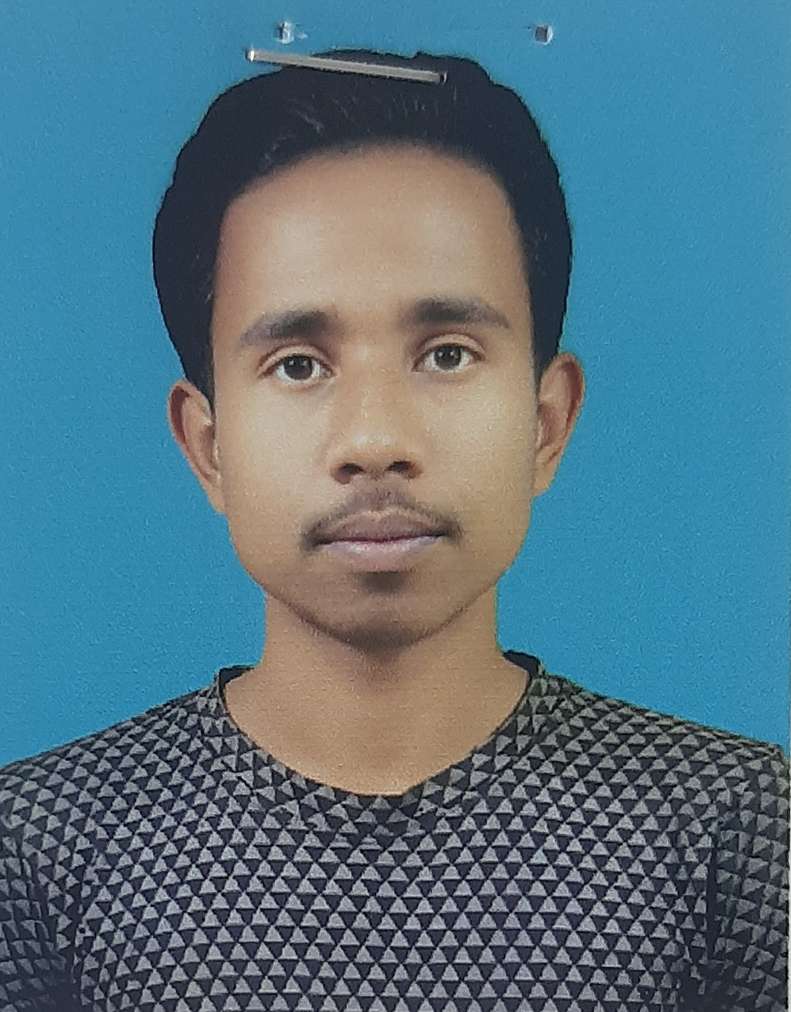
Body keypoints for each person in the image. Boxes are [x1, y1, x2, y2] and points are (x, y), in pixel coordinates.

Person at [0, 48, 787, 1012]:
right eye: (298, 364)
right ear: (207, 446)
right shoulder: (43, 843)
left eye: (446, 354)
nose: (374, 441)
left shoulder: (729, 824)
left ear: (545, 423)